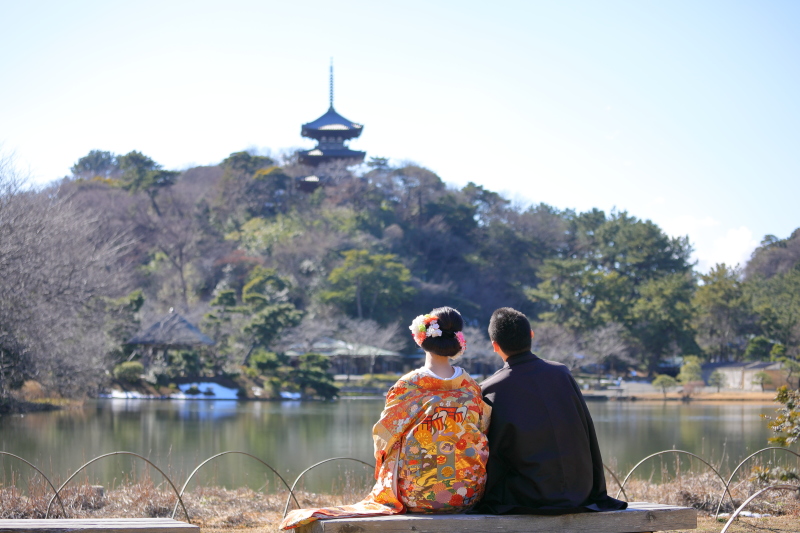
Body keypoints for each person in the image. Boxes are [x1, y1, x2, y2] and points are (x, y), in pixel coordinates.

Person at [280, 307, 491, 530]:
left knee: (394, 443)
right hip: (467, 493)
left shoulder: (408, 386)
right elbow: (483, 429)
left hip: (418, 496)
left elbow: (384, 436)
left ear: (421, 338)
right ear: (457, 340)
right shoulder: (471, 387)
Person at [473, 307, 627, 514]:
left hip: (528, 496)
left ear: (495, 345)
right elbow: (587, 433)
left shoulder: (491, 389)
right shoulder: (562, 374)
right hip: (580, 491)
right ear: (531, 335)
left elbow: (492, 454)